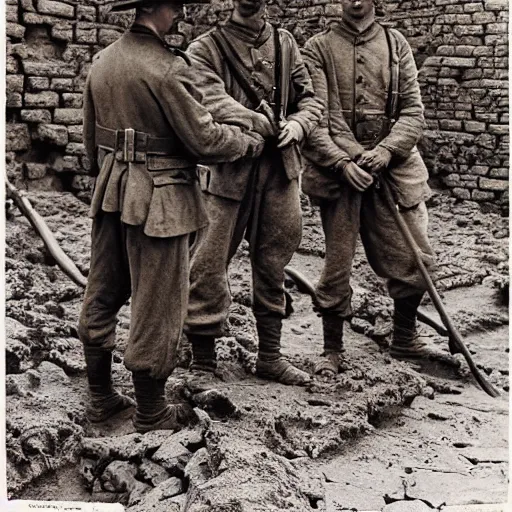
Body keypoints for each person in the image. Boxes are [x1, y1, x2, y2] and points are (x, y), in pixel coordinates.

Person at [79, 0, 266, 432]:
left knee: (103, 290)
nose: (180, 13)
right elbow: (203, 139)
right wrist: (245, 141)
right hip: (161, 201)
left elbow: (90, 141)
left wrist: (112, 174)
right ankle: (151, 412)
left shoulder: (103, 61)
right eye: (175, 5)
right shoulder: (167, 68)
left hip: (110, 191)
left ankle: (101, 397)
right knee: (158, 303)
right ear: (152, 7)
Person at [302, 0, 456, 376]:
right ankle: (332, 348)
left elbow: (413, 111)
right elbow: (318, 116)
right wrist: (347, 160)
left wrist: (386, 150)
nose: (356, 2)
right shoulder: (316, 48)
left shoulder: (396, 43)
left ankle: (405, 337)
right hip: (340, 172)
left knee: (414, 257)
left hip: (394, 168)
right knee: (337, 264)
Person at [184, 0, 324, 385]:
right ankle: (203, 362)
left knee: (274, 262)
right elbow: (212, 100)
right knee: (208, 266)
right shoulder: (205, 48)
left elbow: (310, 100)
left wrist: (297, 125)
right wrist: (259, 122)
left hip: (279, 173)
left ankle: (270, 357)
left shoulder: (285, 43)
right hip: (228, 173)